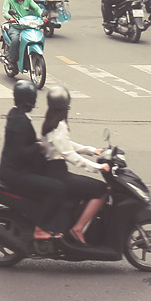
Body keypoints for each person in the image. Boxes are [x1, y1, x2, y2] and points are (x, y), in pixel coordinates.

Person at [37, 85, 110, 245]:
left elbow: (67, 145)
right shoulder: (59, 125)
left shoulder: (50, 122)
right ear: (66, 107)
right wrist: (96, 168)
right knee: (102, 190)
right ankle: (78, 228)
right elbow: (69, 154)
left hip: (53, 172)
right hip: (58, 175)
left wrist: (92, 150)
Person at [0, 80, 64, 240]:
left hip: (13, 170)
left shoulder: (15, 114)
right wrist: (39, 146)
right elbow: (21, 152)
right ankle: (42, 228)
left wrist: (37, 144)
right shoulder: (21, 122)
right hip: (16, 173)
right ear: (32, 101)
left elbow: (21, 144)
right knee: (57, 188)